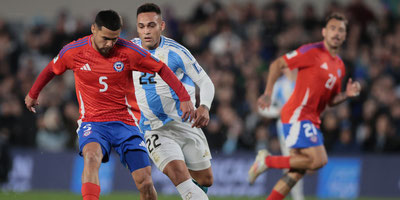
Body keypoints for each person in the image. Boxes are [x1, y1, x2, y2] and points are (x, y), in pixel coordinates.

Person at [24, 10, 195, 200]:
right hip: (93, 122)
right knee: (91, 157)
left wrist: (184, 97)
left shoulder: (129, 51)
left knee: (145, 182)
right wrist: (33, 94)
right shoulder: (74, 51)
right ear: (93, 29)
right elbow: (50, 69)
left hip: (126, 123)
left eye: (114, 39)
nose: (110, 44)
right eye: (105, 38)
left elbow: (161, 68)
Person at [248, 13, 361, 200]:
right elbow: (277, 64)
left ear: (345, 36)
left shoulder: (340, 66)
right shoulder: (311, 51)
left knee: (297, 171)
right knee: (319, 159)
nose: (337, 33)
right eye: (333, 28)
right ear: (324, 32)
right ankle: (266, 161)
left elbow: (330, 100)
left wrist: (346, 95)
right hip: (297, 114)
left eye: (341, 30)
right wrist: (268, 93)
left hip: (311, 119)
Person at [131, 3, 215, 200]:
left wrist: (204, 106)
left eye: (151, 25)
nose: (146, 31)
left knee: (206, 180)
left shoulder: (176, 52)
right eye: (141, 26)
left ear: (162, 26)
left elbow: (205, 81)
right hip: (154, 128)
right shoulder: (129, 50)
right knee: (180, 177)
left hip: (185, 122)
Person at [258, 68, 304, 200]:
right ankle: (298, 197)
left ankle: (266, 161)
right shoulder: (278, 86)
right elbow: (262, 107)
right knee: (296, 165)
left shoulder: (303, 83)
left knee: (298, 165)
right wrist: (278, 112)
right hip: (286, 129)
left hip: (302, 127)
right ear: (284, 70)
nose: (293, 70)